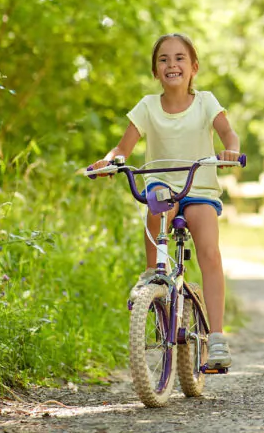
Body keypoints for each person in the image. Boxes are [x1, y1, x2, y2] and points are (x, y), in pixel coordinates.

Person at [88, 33, 241, 370]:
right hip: (162, 184)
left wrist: (230, 148)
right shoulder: (147, 106)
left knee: (209, 252)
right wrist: (110, 161)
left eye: (180, 58)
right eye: (163, 60)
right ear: (155, 71)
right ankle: (153, 276)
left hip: (198, 186)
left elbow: (228, 133)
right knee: (156, 205)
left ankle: (216, 337)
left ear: (194, 67)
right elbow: (122, 149)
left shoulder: (206, 102)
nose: (172, 64)